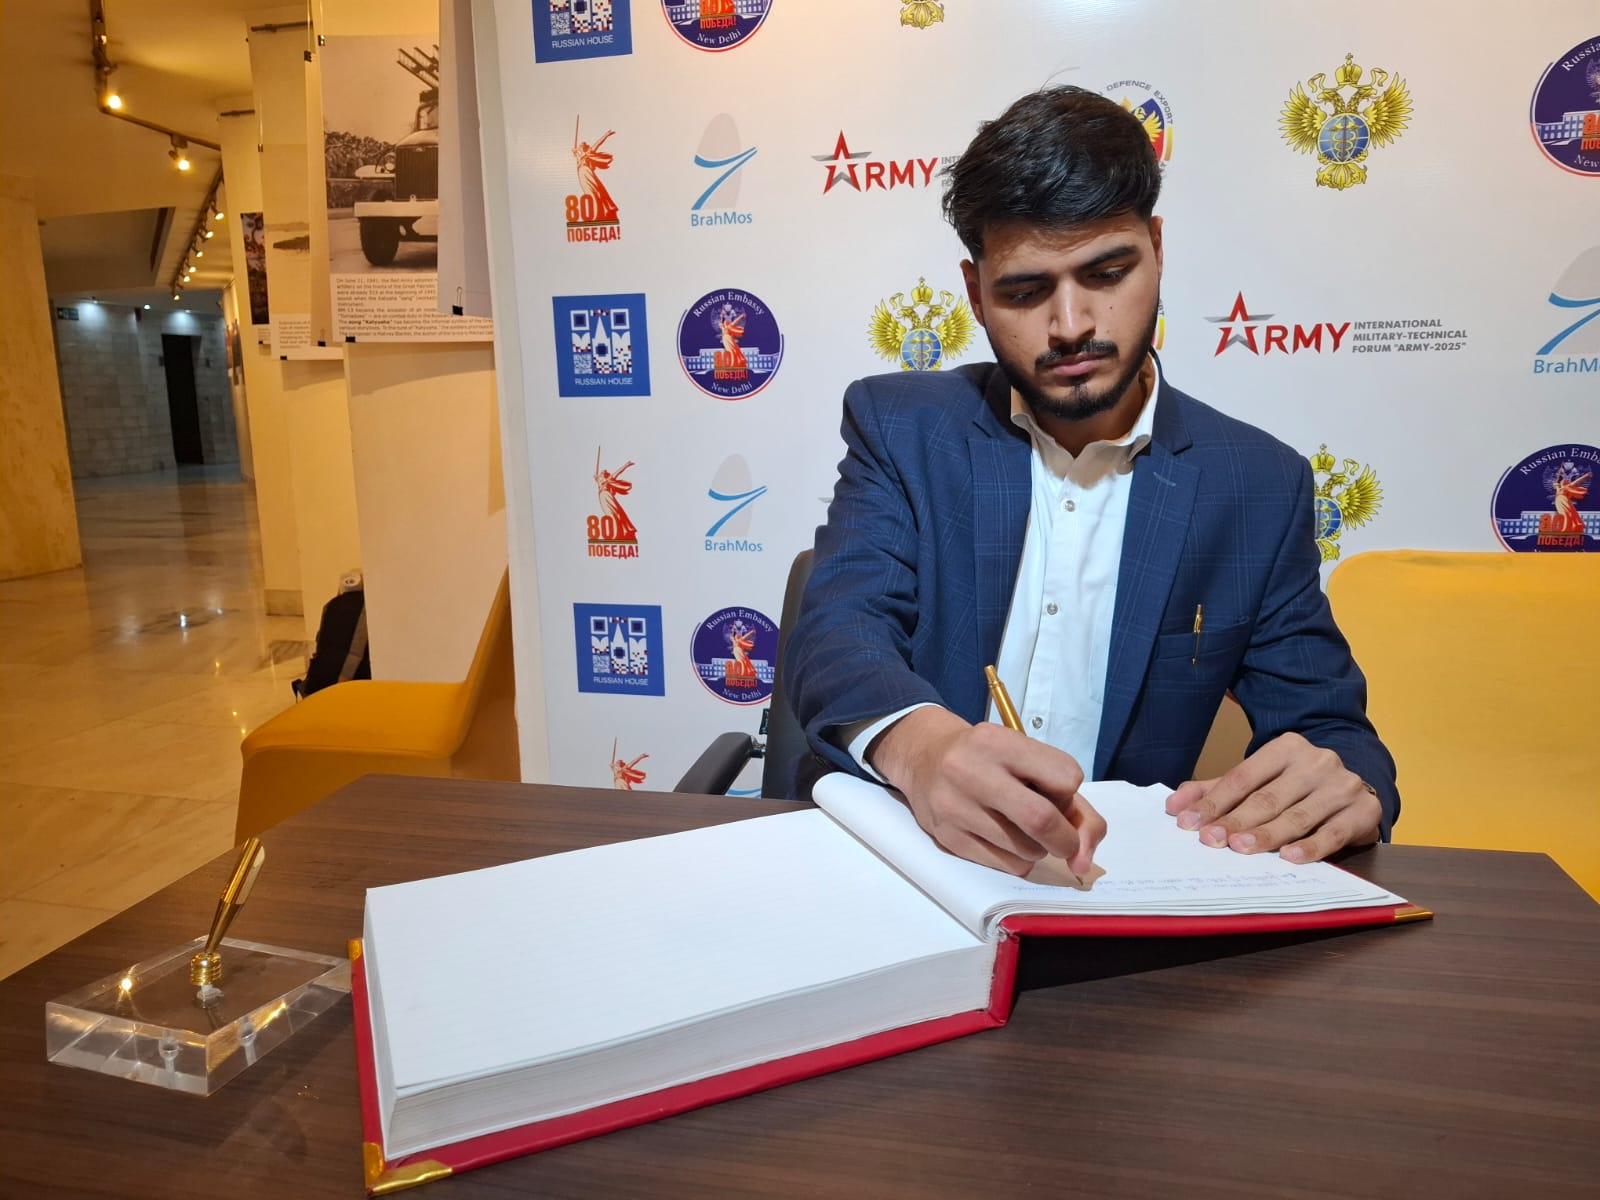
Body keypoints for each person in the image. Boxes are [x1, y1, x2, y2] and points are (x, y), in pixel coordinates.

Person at [785, 86, 1397, 880]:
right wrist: (924, 748)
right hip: (902, 866)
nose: (1071, 325)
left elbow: (1331, 730)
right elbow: (840, 632)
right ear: (974, 294)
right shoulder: (902, 428)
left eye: (1107, 273)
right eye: (1024, 290)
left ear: (1158, 250)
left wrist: (1345, 785)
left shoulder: (1258, 485)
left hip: (1111, 889)